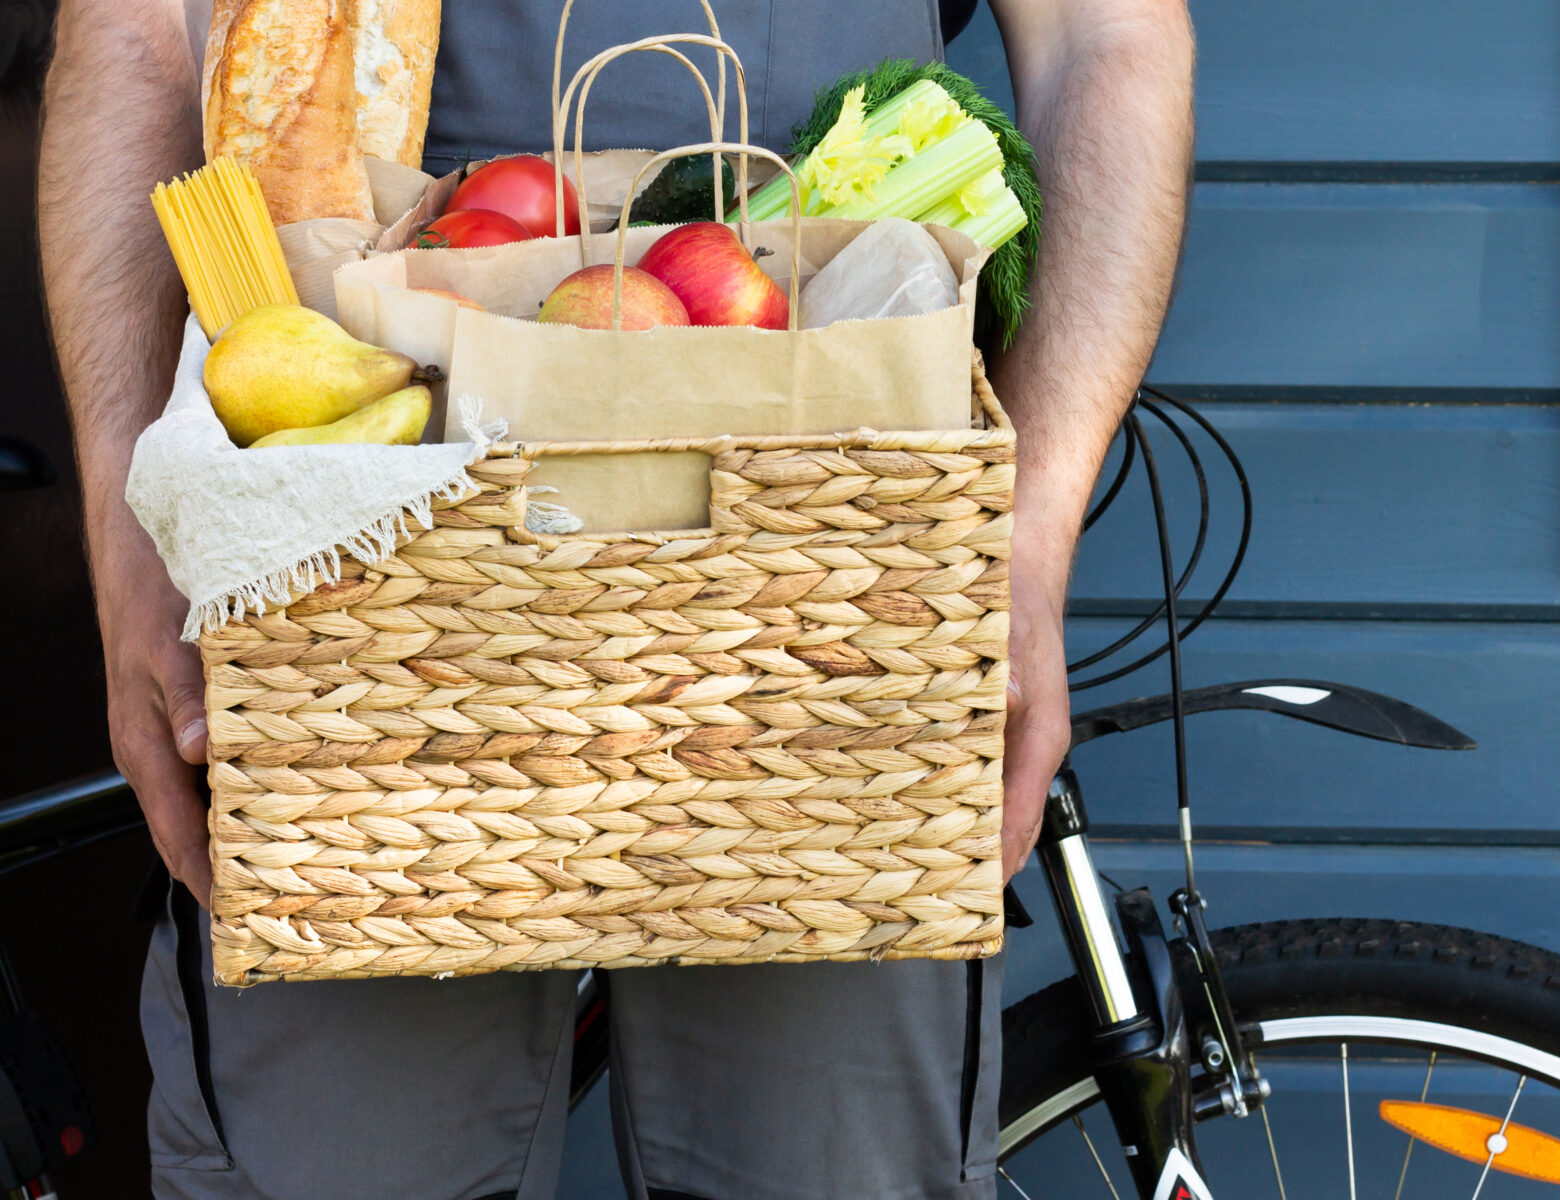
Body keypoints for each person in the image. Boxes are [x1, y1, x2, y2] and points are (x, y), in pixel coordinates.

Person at [37, 1, 1195, 1196]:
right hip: (358, 612)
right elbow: (139, 26)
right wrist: (133, 543)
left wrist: (1024, 540)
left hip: (832, 607)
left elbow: (1107, 39)